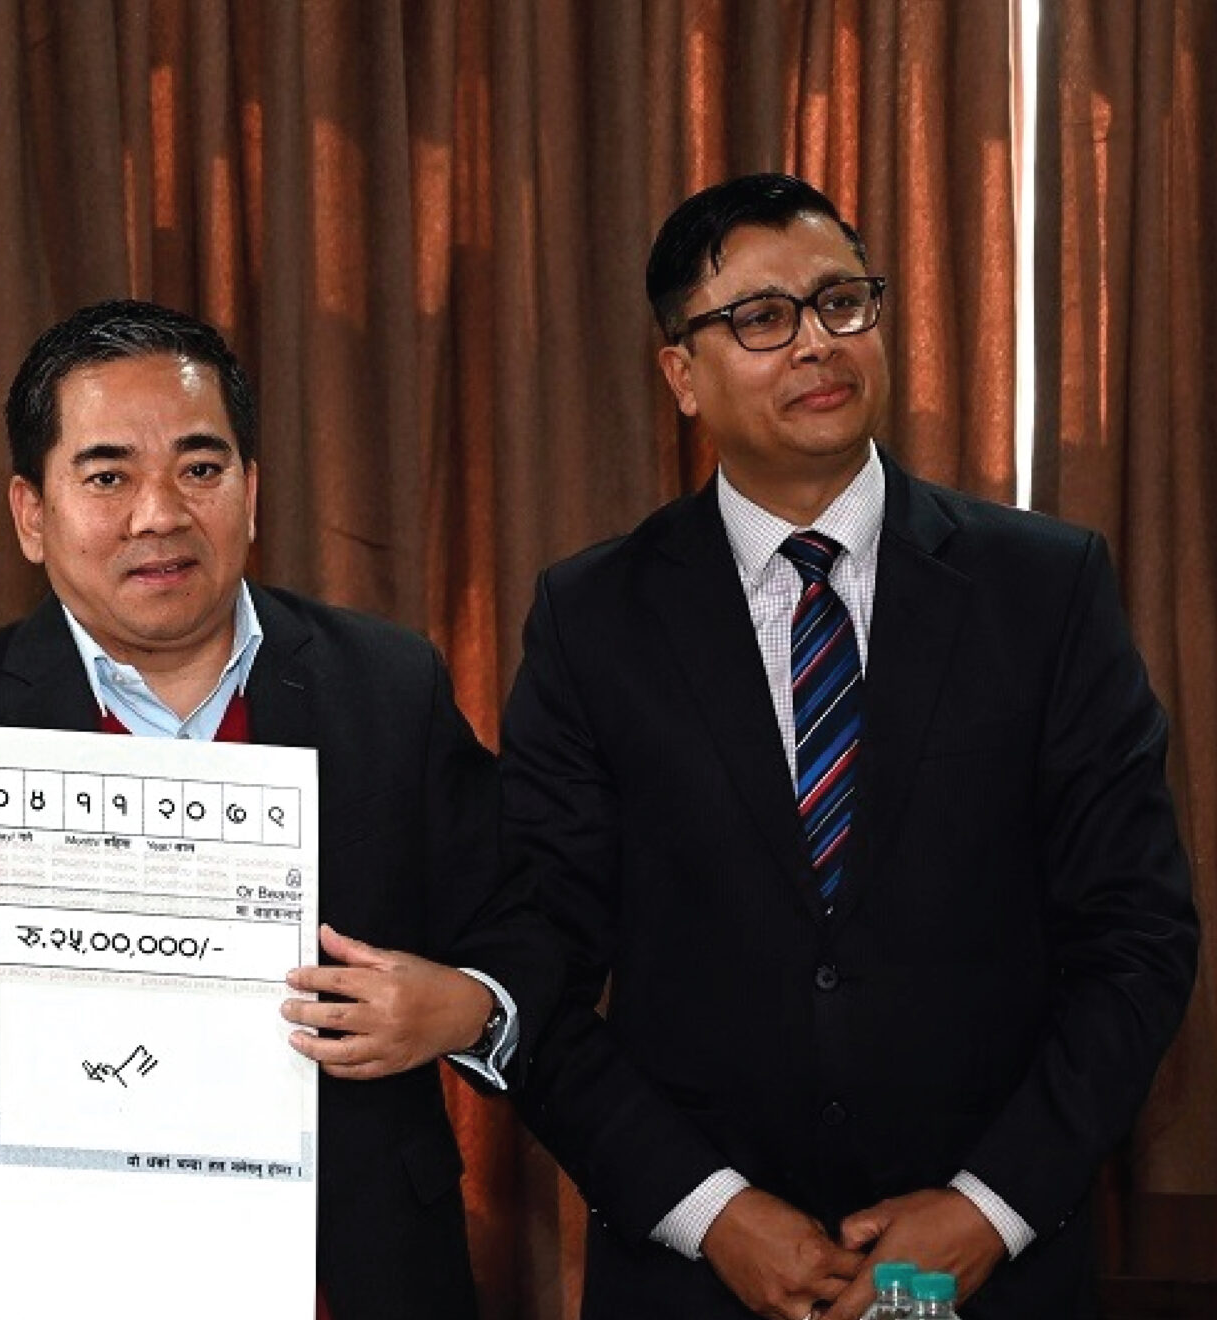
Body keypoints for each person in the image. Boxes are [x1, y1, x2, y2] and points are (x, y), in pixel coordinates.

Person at [502, 173, 1200, 1320]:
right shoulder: (592, 620)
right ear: (681, 375)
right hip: (697, 1280)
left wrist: (988, 1208)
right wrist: (710, 1211)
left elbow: (1137, 934)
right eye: (760, 318)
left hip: (993, 1270)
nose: (815, 342)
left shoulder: (1043, 589)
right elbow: (533, 971)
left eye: (841, 302)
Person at [0, 299, 557, 1320]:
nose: (159, 513)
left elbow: (526, 922)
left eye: (199, 467)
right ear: (31, 513)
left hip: (350, 1279)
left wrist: (465, 1006)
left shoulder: (384, 686)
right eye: (107, 477)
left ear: (251, 492)